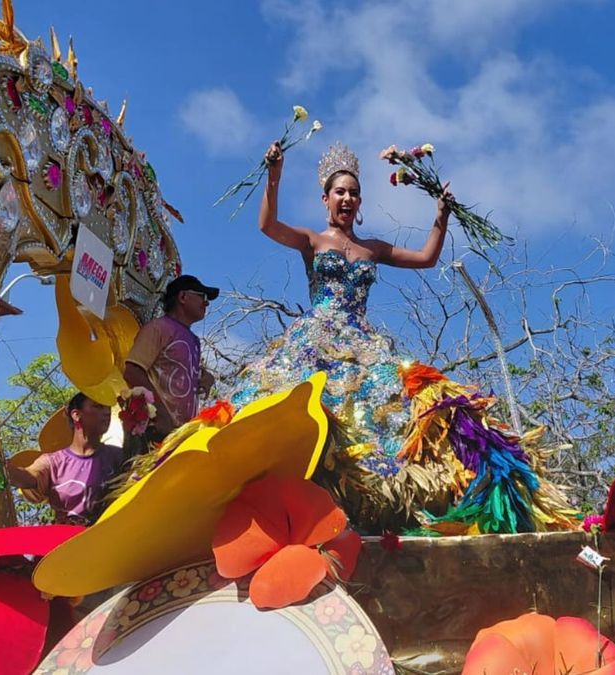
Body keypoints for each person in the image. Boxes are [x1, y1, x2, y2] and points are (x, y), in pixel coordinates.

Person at [228, 141, 577, 534]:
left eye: (354, 193)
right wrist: (274, 176)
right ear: (326, 199)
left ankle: (384, 503)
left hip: (362, 342)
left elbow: (427, 258)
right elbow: (267, 226)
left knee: (395, 411)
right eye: (339, 192)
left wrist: (441, 215)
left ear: (360, 203)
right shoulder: (313, 241)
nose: (347, 198)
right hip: (316, 339)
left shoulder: (372, 248)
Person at [123, 274, 218, 445]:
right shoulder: (158, 328)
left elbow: (180, 369)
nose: (206, 303)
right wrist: (160, 412)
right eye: (202, 296)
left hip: (181, 436)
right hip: (153, 432)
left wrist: (206, 376)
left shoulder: (194, 340)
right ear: (183, 297)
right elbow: (132, 370)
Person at [6, 392, 124, 525]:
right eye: (98, 406)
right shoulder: (53, 462)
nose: (106, 412)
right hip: (70, 543)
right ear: (76, 415)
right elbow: (29, 476)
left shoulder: (120, 456)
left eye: (107, 408)